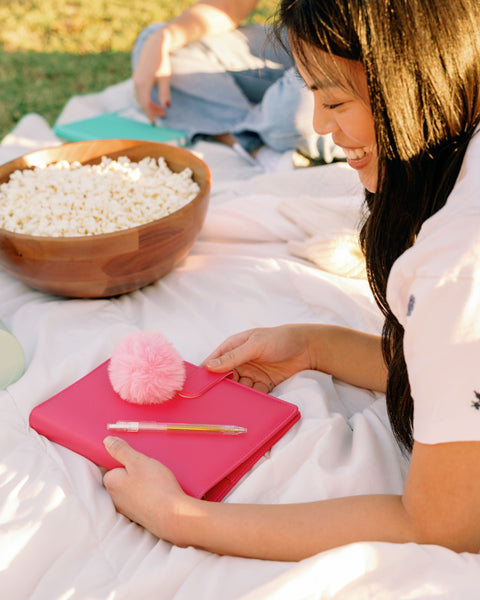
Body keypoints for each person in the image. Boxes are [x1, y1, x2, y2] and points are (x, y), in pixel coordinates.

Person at [103, 0, 480, 560]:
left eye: (333, 101)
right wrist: (315, 345)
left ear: (414, 86)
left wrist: (180, 517)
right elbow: (455, 372)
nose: (323, 128)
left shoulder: (455, 265)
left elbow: (441, 524)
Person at [130, 0, 344, 165]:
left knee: (299, 112)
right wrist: (166, 37)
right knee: (156, 45)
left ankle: (249, 130)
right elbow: (230, 4)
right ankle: (252, 141)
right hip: (300, 42)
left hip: (358, 57)